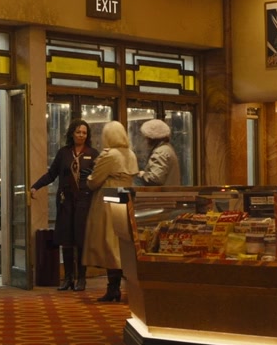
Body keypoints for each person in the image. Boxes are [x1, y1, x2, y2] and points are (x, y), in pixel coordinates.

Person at [31, 119, 98, 291]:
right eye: (78, 132)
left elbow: (98, 178)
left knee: (81, 240)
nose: (81, 135)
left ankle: (81, 278)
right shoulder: (63, 153)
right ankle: (68, 278)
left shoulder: (93, 153)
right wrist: (36, 186)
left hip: (84, 201)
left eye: (84, 133)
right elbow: (51, 174)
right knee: (66, 239)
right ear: (72, 134)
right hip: (65, 201)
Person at [83, 121, 139, 302]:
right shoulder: (130, 154)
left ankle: (113, 288)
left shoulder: (109, 155)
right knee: (122, 244)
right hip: (125, 199)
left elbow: (94, 181)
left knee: (108, 244)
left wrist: (87, 178)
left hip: (107, 200)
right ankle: (124, 286)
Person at [137, 119, 181, 186]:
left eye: (145, 138)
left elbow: (155, 179)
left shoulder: (160, 152)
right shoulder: (167, 148)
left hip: (163, 192)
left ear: (151, 138)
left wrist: (143, 175)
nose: (145, 141)